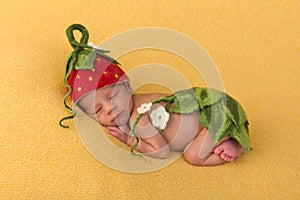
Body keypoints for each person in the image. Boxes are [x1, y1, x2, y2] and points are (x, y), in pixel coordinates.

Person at [60, 24, 250, 166]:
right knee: (192, 148)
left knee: (193, 156)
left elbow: (161, 151)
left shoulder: (139, 119)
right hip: (209, 108)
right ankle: (224, 137)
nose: (109, 109)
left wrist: (129, 140)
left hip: (215, 114)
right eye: (98, 110)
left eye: (111, 97)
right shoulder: (142, 99)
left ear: (128, 86)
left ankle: (235, 143)